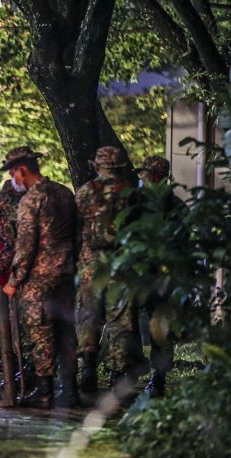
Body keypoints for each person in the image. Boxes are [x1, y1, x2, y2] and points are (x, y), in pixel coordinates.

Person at [1, 146, 80, 409]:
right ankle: (71, 391)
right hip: (67, 275)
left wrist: (14, 281)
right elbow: (78, 235)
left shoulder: (31, 201)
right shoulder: (64, 193)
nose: (14, 180)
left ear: (22, 170)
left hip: (40, 279)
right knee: (67, 331)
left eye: (14, 173)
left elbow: (25, 246)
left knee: (41, 332)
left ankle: (44, 392)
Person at [74, 146, 137, 393]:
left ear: (96, 166)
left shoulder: (85, 192)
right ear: (121, 167)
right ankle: (117, 376)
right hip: (122, 265)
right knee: (120, 321)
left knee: (88, 315)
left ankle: (88, 366)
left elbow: (74, 225)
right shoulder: (132, 194)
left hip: (91, 265)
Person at [135, 155, 175, 397]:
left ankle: (157, 379)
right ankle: (126, 373)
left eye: (146, 175)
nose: (143, 179)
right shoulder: (136, 203)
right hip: (138, 275)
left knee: (160, 330)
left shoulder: (172, 206)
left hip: (160, 277)